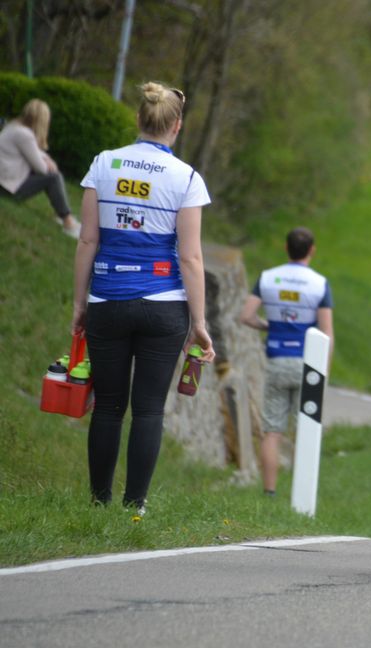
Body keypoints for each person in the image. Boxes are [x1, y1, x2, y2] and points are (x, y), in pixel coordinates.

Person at [71, 81, 215, 515]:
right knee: (149, 409)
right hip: (163, 304)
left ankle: (99, 504)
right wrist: (200, 322)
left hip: (108, 300)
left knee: (109, 407)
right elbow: (190, 256)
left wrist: (80, 305)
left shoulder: (103, 164)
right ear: (177, 126)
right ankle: (135, 507)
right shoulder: (186, 177)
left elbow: (87, 240)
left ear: (138, 119)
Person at [239, 227, 334, 496]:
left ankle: (269, 491)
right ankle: (303, 493)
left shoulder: (268, 278)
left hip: (278, 359)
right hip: (309, 364)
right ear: (312, 250)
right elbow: (327, 332)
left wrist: (268, 326)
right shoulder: (319, 283)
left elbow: (246, 316)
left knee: (272, 429)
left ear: (286, 248)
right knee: (307, 428)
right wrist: (325, 368)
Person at [0, 98, 81, 237]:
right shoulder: (25, 135)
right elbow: (42, 169)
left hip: (4, 183)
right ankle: (68, 222)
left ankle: (60, 213)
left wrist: (47, 158)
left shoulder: (14, 126)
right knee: (53, 177)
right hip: (6, 189)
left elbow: (36, 152)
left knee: (51, 175)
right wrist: (49, 163)